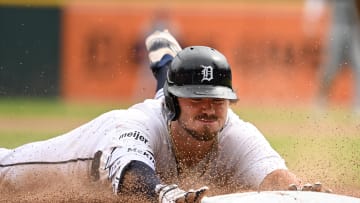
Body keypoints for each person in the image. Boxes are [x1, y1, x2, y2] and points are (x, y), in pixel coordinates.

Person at [1, 30, 324, 203]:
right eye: (197, 98)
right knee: (8, 173)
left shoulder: (234, 131)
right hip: (90, 158)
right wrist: (161, 192)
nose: (209, 107)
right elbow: (132, 172)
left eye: (218, 98)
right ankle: (166, 63)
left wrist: (295, 191)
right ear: (174, 101)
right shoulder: (136, 124)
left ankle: (166, 63)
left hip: (168, 104)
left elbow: (272, 172)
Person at [304, 0, 360, 113]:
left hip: (354, 28)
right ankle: (321, 99)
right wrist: (311, 19)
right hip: (336, 28)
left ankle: (357, 104)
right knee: (331, 68)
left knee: (358, 66)